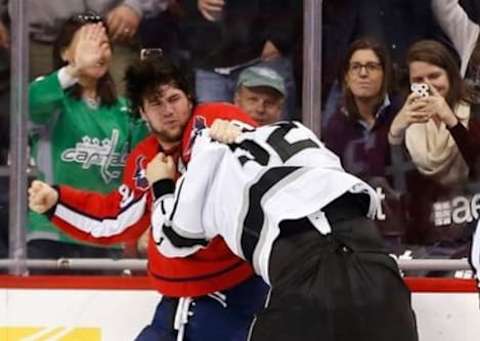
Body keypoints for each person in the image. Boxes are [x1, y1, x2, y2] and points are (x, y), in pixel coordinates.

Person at [28, 54, 268, 340]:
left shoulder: (214, 119)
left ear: (190, 98)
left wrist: (241, 136)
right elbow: (115, 218)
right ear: (141, 112)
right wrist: (58, 203)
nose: (168, 110)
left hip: (235, 289)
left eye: (174, 98)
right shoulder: (144, 158)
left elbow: (265, 158)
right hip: (181, 296)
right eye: (156, 103)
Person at [140, 120, 418, 340]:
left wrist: (162, 184)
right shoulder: (294, 130)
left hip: (305, 283)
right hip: (377, 266)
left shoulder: (208, 157)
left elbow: (173, 239)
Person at [27, 13, 148, 261]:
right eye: (89, 43)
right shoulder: (51, 96)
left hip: (105, 235)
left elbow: (140, 171)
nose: (98, 52)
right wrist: (75, 69)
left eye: (104, 44)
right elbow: (33, 102)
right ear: (64, 52)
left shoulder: (126, 110)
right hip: (52, 233)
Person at [388, 39, 480, 256]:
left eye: (435, 76)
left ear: (450, 75)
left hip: (472, 229)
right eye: (418, 80)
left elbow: (478, 165)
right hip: (428, 240)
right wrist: (395, 136)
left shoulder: (475, 110)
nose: (428, 85)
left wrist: (451, 121)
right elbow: (399, 188)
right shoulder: (406, 119)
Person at [323, 38, 406, 249]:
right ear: (346, 76)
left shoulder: (402, 113)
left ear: (385, 74)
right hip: (356, 230)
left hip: (403, 225)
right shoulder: (335, 126)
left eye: (371, 67)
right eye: (356, 67)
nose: (363, 74)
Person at [0, 0, 168, 88]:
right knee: (39, 118)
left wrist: (135, 6)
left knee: (126, 115)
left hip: (113, 37)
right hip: (38, 40)